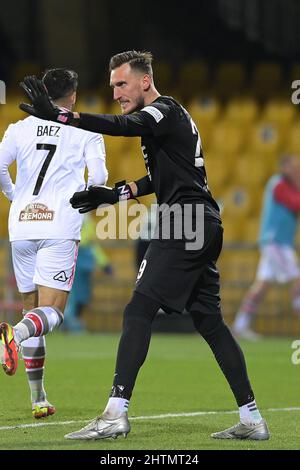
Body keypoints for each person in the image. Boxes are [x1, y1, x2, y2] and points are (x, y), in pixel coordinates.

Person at [19, 51, 269, 440]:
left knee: (138, 309)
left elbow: (125, 125)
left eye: (121, 84)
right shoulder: (166, 123)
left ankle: (115, 413)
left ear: (145, 82)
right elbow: (159, 179)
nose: (116, 91)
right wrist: (112, 195)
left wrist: (63, 116)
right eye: (113, 85)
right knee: (210, 322)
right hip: (202, 221)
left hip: (184, 221)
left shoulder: (162, 111)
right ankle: (252, 418)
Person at [0, 68, 108, 418]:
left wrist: (14, 195)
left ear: (42, 91)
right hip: (59, 223)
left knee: (33, 311)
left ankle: (38, 397)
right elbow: (101, 178)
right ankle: (12, 335)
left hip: (22, 223)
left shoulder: (18, 128)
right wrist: (86, 199)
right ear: (73, 97)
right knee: (53, 313)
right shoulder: (86, 128)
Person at [233, 154, 300, 340]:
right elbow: (296, 204)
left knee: (262, 286)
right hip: (276, 242)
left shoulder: (289, 186)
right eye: (294, 167)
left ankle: (240, 324)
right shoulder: (278, 184)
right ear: (284, 167)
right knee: (297, 277)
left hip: (277, 242)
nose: (297, 170)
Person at [63, 214, 113, 333]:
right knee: (72, 295)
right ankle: (69, 323)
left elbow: (92, 246)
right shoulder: (70, 217)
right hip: (73, 261)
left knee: (81, 295)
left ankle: (72, 323)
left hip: (83, 264)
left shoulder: (86, 219)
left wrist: (104, 264)